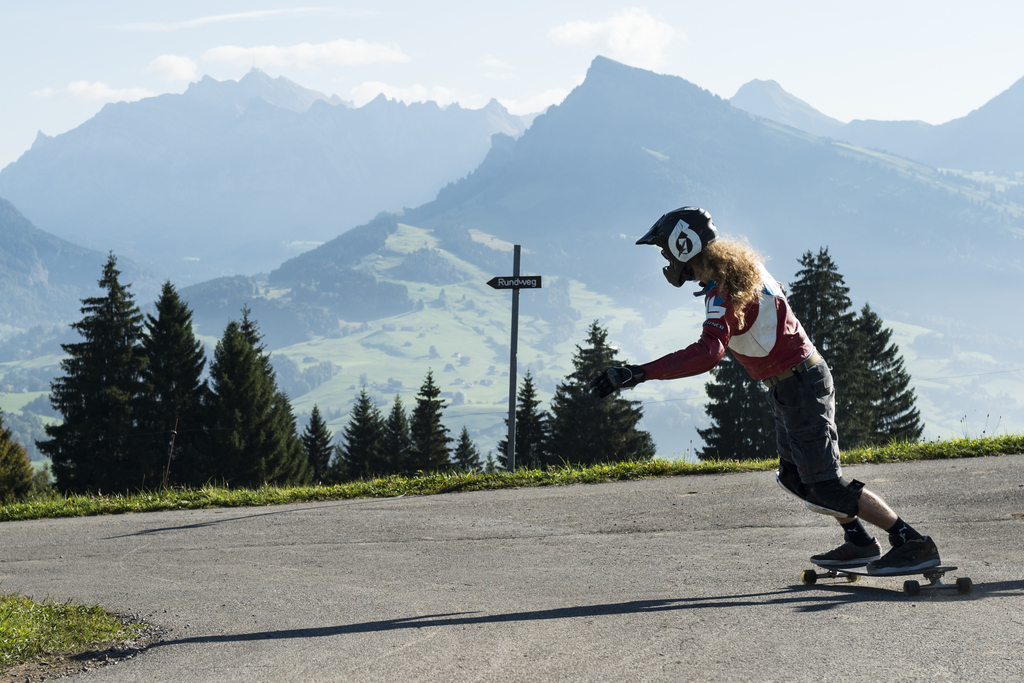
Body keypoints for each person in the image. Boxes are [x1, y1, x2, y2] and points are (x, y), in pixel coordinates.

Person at [589, 206, 940, 574]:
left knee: (827, 486)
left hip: (801, 385)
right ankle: (859, 542)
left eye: (665, 250)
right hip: (790, 386)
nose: (664, 258)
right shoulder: (743, 269)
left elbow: (708, 353)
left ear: (683, 248)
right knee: (794, 477)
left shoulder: (722, 292)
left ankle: (911, 541)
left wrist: (638, 372)